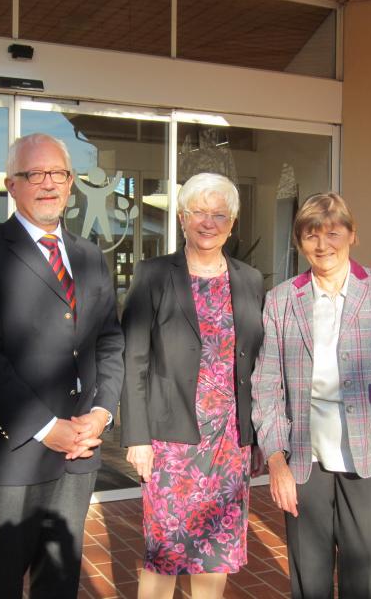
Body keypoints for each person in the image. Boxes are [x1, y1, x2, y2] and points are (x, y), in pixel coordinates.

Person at [0, 133, 124, 599]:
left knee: (59, 581)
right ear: (12, 184)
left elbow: (109, 340)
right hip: (17, 452)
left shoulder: (90, 256)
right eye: (34, 174)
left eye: (59, 174)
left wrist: (102, 414)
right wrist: (47, 427)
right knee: (2, 582)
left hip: (80, 452)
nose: (48, 184)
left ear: (71, 183)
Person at [251, 192, 371, 599]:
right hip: (305, 460)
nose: (322, 245)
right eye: (311, 235)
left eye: (333, 233)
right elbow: (267, 385)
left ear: (352, 235)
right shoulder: (282, 300)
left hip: (370, 455)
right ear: (299, 241)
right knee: (309, 574)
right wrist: (276, 461)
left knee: (366, 571)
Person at [121, 173, 265, 599]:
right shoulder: (153, 274)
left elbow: (256, 362)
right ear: (182, 218)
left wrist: (255, 436)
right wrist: (137, 437)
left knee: (215, 553)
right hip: (171, 441)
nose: (209, 221)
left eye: (219, 213)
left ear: (232, 222)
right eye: (199, 212)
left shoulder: (250, 280)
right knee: (164, 552)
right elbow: (134, 358)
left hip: (230, 440)